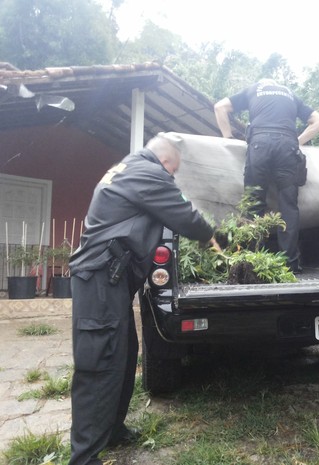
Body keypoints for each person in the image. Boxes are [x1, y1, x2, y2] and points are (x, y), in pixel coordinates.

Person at [67, 133, 220, 465]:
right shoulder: (146, 172)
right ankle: (84, 457)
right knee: (100, 362)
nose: (172, 178)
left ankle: (112, 430)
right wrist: (211, 238)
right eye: (173, 172)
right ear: (165, 163)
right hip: (99, 278)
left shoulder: (128, 168)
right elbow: (184, 215)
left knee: (124, 354)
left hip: (111, 279)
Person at [214, 79, 319, 273]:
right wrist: (296, 141)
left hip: (259, 146)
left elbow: (219, 107)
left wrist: (228, 138)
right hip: (288, 149)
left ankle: (252, 262)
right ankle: (290, 265)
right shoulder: (291, 94)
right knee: (288, 207)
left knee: (254, 204)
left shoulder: (254, 89)